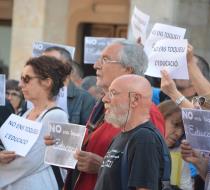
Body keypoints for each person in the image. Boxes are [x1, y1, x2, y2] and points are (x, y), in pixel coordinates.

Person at [45, 40, 165, 190]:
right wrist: (62, 144)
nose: (96, 65)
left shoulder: (146, 111)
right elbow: (93, 147)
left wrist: (102, 165)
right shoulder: (103, 105)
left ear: (128, 69)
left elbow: (149, 172)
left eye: (105, 59)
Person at [0, 56, 69, 190]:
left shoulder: (56, 115)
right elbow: (11, 152)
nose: (20, 85)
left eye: (26, 79)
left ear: (47, 82)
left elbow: (28, 161)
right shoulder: (24, 114)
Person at [94, 74, 169, 190]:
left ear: (135, 99)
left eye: (113, 93)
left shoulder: (144, 138)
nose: (105, 99)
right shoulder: (121, 136)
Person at [43, 46, 95, 125]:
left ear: (67, 66)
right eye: (41, 63)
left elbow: (87, 133)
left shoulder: (84, 98)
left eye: (50, 63)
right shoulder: (33, 93)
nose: (42, 68)